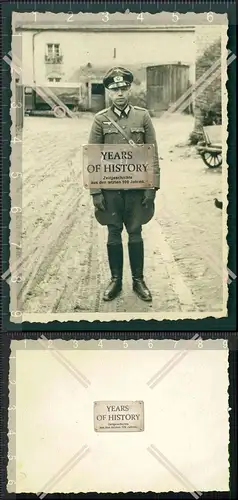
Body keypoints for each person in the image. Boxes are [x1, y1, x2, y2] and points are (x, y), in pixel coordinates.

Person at [88, 66, 160, 302]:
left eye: (123, 88)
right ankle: (116, 280)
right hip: (110, 191)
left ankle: (138, 280)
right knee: (113, 231)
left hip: (137, 188)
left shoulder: (143, 116)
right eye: (114, 89)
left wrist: (152, 187)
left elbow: (152, 154)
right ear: (108, 92)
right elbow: (93, 156)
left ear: (129, 89)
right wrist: (96, 192)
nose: (119, 93)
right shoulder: (100, 120)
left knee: (135, 230)